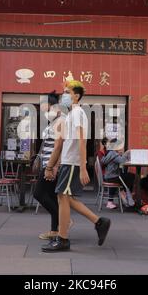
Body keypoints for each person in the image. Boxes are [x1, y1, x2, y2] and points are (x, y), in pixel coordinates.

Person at [42, 80, 111, 252]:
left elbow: (82, 141)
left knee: (62, 197)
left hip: (72, 162)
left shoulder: (79, 112)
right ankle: (99, 222)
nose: (64, 95)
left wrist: (82, 167)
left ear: (76, 96)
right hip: (68, 161)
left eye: (67, 92)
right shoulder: (71, 114)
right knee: (67, 198)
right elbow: (61, 143)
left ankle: (63, 238)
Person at [33, 91, 65, 240]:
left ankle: (64, 221)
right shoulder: (53, 121)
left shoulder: (60, 121)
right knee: (52, 197)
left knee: (38, 193)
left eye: (43, 104)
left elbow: (60, 147)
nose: (41, 107)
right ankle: (54, 230)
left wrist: (52, 167)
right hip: (47, 165)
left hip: (50, 167)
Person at [100, 138, 135, 209]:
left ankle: (123, 194)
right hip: (112, 177)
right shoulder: (113, 154)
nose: (121, 147)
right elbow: (123, 161)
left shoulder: (110, 153)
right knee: (131, 176)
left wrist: (120, 154)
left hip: (109, 176)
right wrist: (126, 153)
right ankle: (127, 194)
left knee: (128, 176)